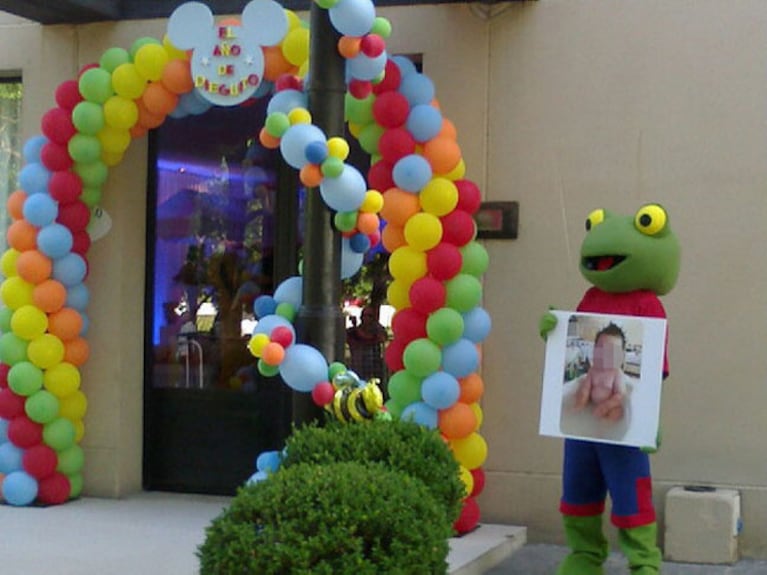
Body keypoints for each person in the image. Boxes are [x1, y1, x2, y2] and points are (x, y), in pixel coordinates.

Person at [539, 204, 681, 575]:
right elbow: (577, 346)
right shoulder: (591, 299)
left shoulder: (647, 304)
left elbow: (652, 369)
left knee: (630, 490)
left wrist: (648, 418)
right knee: (577, 487)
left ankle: (643, 560)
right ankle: (585, 553)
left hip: (623, 429)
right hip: (583, 430)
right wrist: (555, 332)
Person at [346, 306, 388, 386]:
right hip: (359, 367)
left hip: (373, 367)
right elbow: (348, 338)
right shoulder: (354, 331)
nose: (366, 318)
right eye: (364, 315)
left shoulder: (377, 329)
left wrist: (355, 327)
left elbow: (371, 338)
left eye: (369, 316)